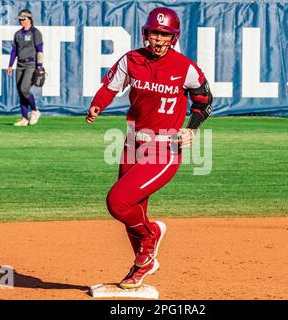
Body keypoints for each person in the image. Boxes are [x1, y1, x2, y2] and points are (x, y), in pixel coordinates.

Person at [86, 7, 213, 289]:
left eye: (164, 34)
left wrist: (192, 127)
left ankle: (151, 235)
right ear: (146, 33)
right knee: (133, 209)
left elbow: (205, 100)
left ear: (173, 37)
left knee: (117, 202)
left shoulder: (185, 68)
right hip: (133, 144)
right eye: (154, 32)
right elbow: (110, 87)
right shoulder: (132, 60)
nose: (158, 39)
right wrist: (98, 104)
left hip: (165, 147)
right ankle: (143, 265)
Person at [7, 9, 43, 126]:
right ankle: (24, 118)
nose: (21, 21)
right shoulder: (18, 34)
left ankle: (35, 111)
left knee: (24, 89)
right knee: (20, 92)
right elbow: (14, 51)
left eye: (23, 19)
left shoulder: (35, 33)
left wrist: (40, 66)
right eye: (20, 19)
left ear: (29, 19)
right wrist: (10, 65)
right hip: (20, 64)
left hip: (31, 64)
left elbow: (40, 51)